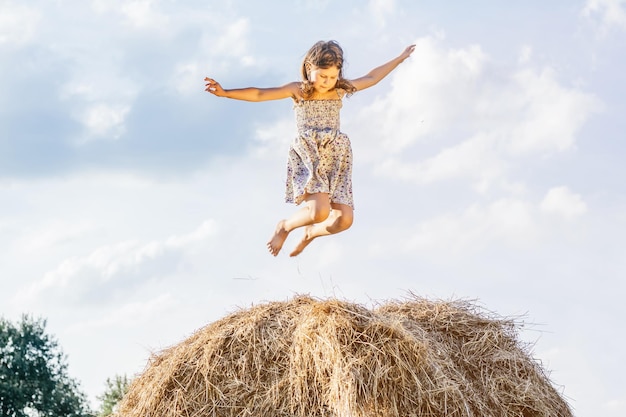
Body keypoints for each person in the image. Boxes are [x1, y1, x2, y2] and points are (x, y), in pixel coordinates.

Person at [205, 40, 415, 257]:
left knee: (345, 221)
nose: (327, 82)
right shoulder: (299, 91)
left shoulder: (340, 90)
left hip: (335, 155)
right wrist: (226, 92)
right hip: (309, 155)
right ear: (309, 69)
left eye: (332, 77)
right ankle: (285, 226)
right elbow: (260, 94)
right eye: (323, 76)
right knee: (320, 212)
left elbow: (371, 78)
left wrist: (400, 58)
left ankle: (310, 234)